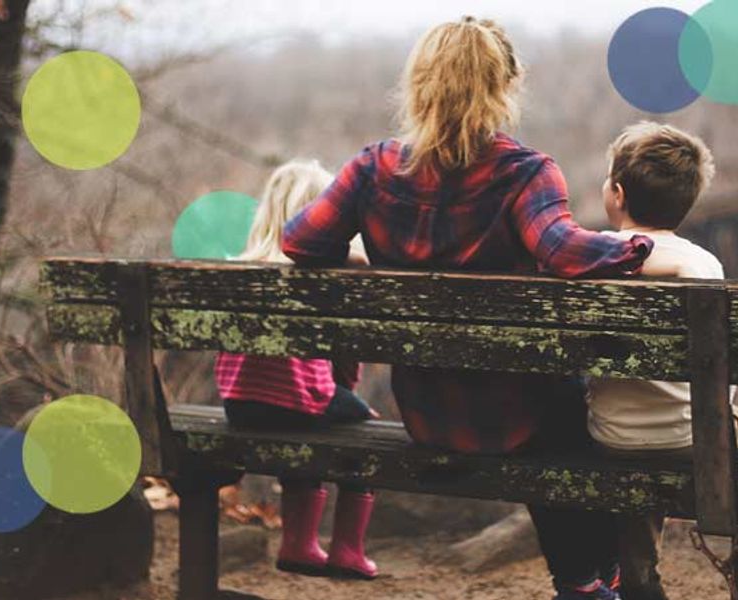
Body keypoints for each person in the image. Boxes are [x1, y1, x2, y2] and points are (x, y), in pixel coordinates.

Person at [281, 17, 654, 600]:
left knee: (556, 407)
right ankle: (586, 581)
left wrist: (359, 258)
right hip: (521, 419)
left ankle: (587, 581)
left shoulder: (372, 169)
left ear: (420, 84)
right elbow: (560, 247)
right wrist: (643, 246)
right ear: (505, 85)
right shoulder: (524, 173)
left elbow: (300, 241)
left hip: (429, 415)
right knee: (572, 412)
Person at [215, 159, 380, 580]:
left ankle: (299, 544)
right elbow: (344, 357)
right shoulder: (322, 273)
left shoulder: (239, 268)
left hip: (239, 405)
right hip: (297, 402)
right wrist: (347, 393)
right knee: (365, 432)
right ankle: (346, 551)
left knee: (307, 418)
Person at [587, 122, 724, 600]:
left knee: (641, 409)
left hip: (613, 436)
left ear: (617, 193)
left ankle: (638, 573)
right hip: (692, 437)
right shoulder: (703, 265)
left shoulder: (595, 258)